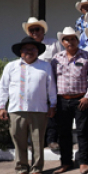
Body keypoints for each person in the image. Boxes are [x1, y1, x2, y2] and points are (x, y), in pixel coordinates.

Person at [0, 37, 56, 174]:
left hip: (39, 109)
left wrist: (53, 104)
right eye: (26, 49)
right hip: (16, 110)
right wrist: (2, 106)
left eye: (33, 49)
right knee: (19, 141)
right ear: (20, 52)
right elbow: (3, 87)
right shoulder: (11, 67)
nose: (29, 52)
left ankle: (37, 169)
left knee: (38, 141)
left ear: (38, 52)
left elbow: (51, 87)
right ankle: (21, 170)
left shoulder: (45, 66)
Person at [51, 27, 88, 174]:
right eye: (67, 39)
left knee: (82, 131)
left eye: (73, 39)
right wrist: (53, 101)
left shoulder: (87, 57)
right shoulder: (56, 59)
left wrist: (87, 97)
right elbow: (52, 81)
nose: (70, 42)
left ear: (77, 40)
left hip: (81, 100)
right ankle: (66, 162)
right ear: (62, 42)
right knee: (64, 132)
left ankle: (83, 161)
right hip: (62, 100)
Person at [22, 17, 62, 151]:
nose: (34, 32)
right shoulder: (25, 46)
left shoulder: (53, 43)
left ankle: (51, 140)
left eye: (37, 29)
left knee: (52, 112)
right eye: (31, 30)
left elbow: (60, 61)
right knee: (35, 113)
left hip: (50, 82)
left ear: (43, 30)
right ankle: (38, 140)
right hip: (33, 85)